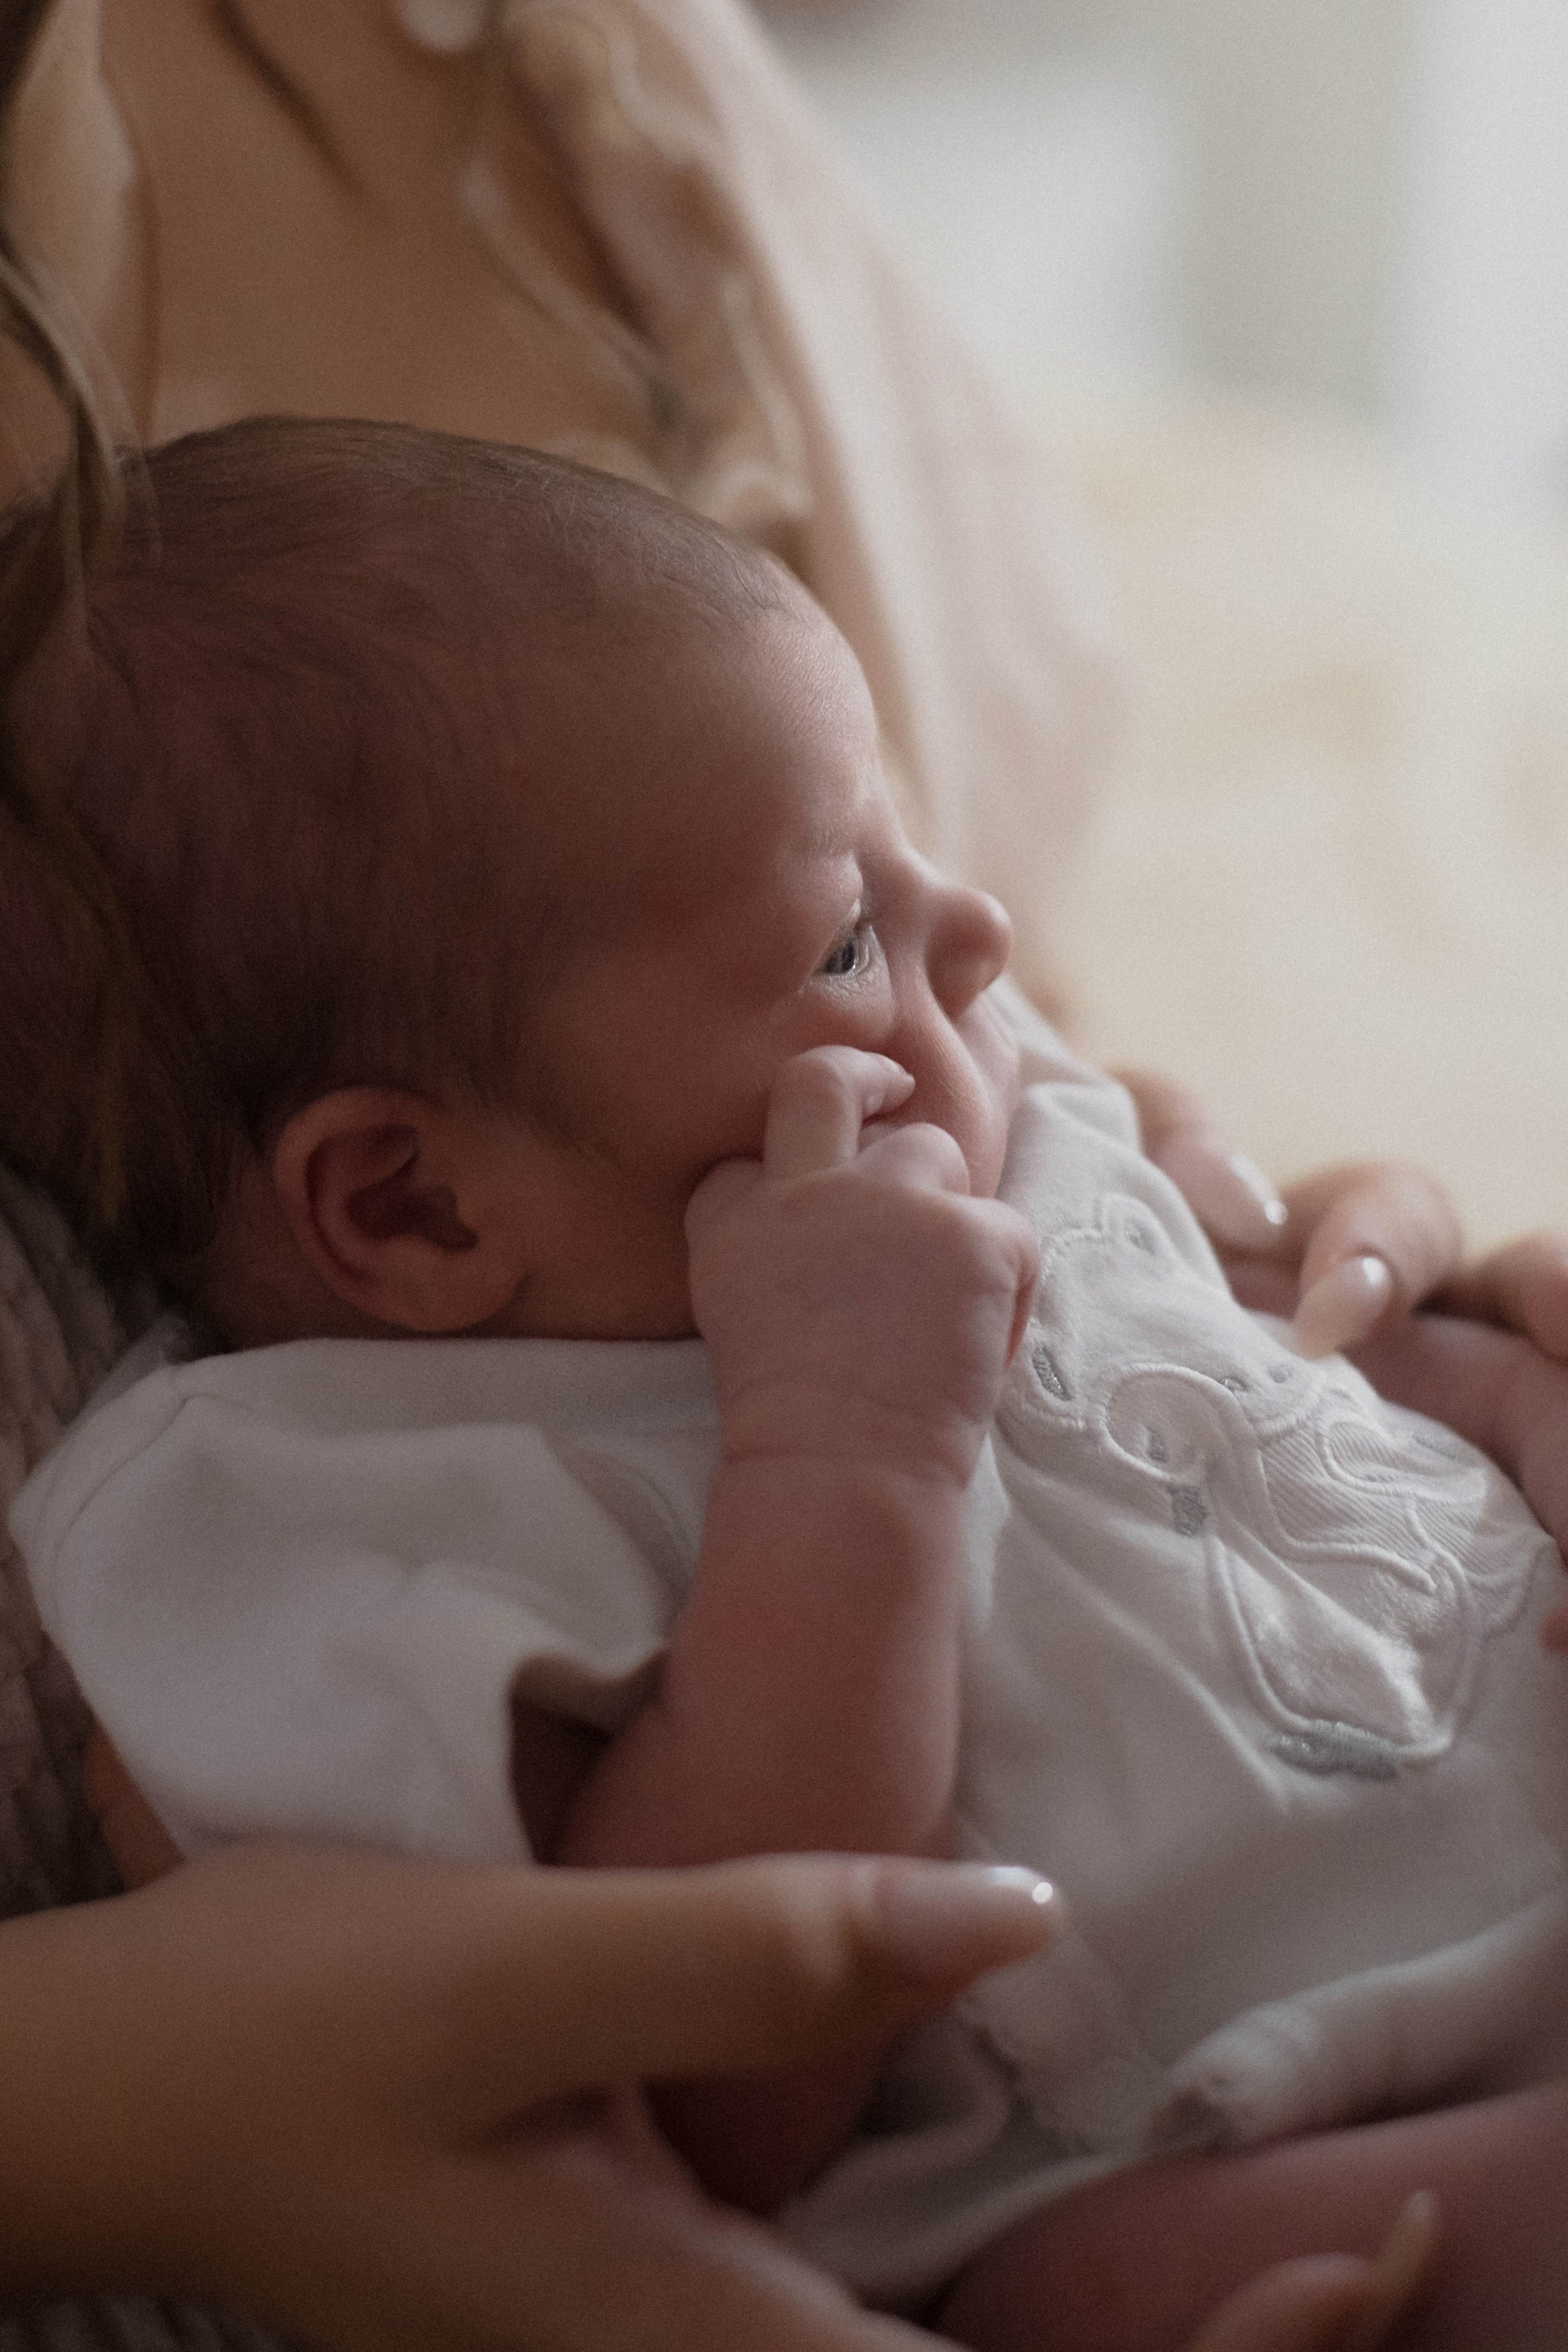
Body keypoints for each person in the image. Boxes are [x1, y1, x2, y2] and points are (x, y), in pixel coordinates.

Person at [9, 413, 1564, 2350]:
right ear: (411, 1203)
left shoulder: (999, 1110)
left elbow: (1288, 1368)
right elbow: (691, 2105)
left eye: (909, 845)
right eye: (846, 928)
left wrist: (1494, 1398)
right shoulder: (339, 1505)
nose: (980, 936)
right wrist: (847, 1459)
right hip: (1202, 2155)